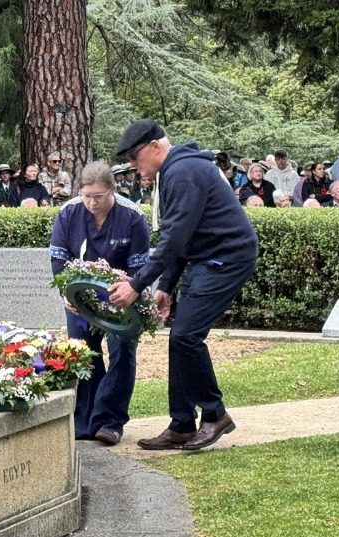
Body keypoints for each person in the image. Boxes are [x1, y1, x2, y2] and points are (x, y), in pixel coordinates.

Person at [108, 119, 257, 451]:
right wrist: (166, 286)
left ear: (154, 147)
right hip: (206, 258)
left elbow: (174, 237)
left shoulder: (183, 172)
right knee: (180, 339)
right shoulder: (176, 170)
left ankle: (215, 414)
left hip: (226, 258)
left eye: (135, 157)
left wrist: (137, 285)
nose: (133, 166)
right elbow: (179, 235)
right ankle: (182, 424)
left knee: (187, 337)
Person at [50, 161, 150, 444]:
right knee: (84, 354)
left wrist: (131, 292)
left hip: (124, 296)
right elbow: (58, 259)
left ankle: (110, 421)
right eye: (87, 195)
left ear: (112, 191)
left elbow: (140, 267)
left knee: (122, 352)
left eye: (99, 196)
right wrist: (66, 293)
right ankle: (84, 421)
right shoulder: (68, 213)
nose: (92, 202)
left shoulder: (132, 216)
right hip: (80, 297)